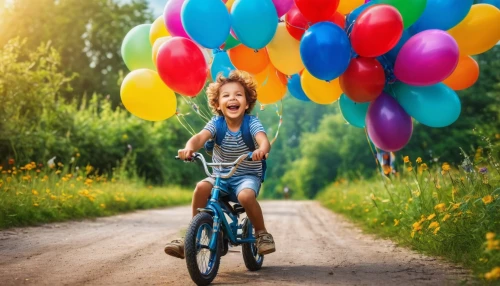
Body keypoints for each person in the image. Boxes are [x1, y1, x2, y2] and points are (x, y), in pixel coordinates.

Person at [164, 70, 275, 259]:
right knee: (200, 187)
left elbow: (263, 140)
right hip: (220, 177)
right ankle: (193, 234)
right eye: (226, 95)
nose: (233, 98)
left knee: (246, 196)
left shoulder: (251, 123)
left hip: (246, 177)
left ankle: (262, 234)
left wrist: (261, 150)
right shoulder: (216, 123)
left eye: (238, 95)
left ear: (247, 103)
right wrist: (189, 148)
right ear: (218, 104)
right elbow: (199, 138)